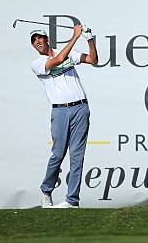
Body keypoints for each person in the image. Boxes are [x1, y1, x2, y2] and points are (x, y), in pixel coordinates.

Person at [30, 24, 98, 208]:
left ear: (47, 40)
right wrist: (75, 35)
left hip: (81, 108)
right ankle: (46, 190)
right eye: (34, 40)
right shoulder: (37, 64)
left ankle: (72, 200)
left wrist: (90, 39)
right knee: (58, 154)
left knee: (77, 156)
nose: (37, 42)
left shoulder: (66, 53)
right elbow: (59, 59)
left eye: (40, 38)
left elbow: (93, 60)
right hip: (60, 111)